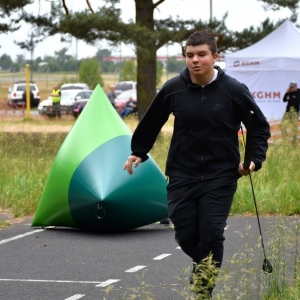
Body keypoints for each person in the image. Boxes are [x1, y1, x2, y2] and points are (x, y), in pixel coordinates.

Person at [123, 31, 270, 297]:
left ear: (215, 56)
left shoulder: (233, 90)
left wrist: (253, 161)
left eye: (202, 54)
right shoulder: (173, 88)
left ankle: (203, 290)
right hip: (182, 173)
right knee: (186, 234)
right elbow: (153, 120)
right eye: (190, 55)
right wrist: (139, 151)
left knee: (212, 234)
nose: (195, 60)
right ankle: (203, 264)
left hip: (221, 174)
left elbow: (258, 127)